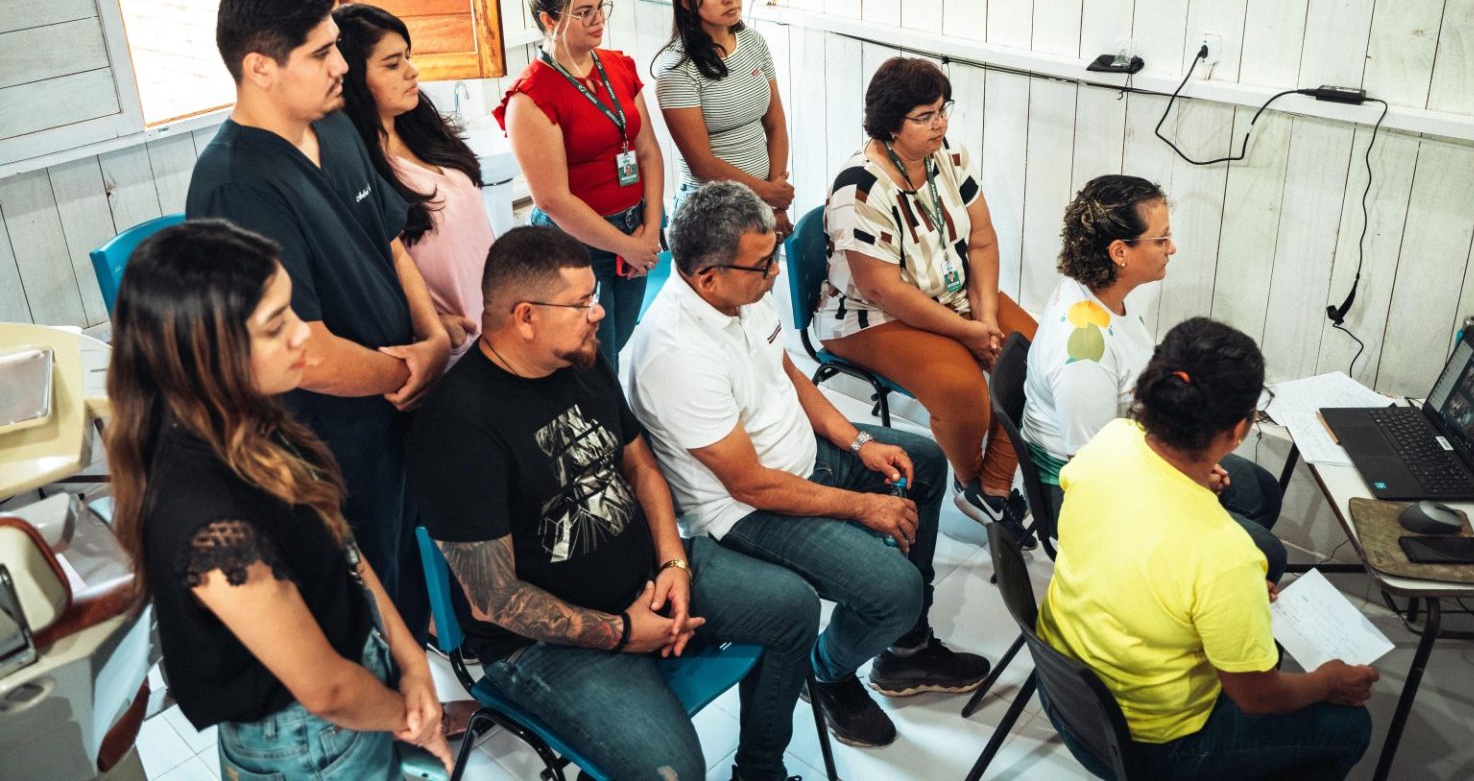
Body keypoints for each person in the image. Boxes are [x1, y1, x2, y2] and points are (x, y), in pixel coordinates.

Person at [406, 225, 821, 781]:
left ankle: (760, 771)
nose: (597, 313)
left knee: (794, 607)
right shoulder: (458, 428)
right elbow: (494, 602)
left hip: (649, 579)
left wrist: (673, 561)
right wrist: (623, 633)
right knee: (669, 770)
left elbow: (640, 463)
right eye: (582, 303)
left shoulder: (578, 359)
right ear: (525, 316)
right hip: (542, 643)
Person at [627, 182, 990, 749]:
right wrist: (862, 505)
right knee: (894, 591)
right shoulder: (674, 353)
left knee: (919, 462)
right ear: (706, 276)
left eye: (775, 253)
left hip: (801, 457)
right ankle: (826, 672)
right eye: (764, 263)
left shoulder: (740, 289)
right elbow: (749, 484)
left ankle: (904, 651)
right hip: (747, 509)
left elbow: (788, 375)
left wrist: (854, 443)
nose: (777, 272)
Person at [104, 220, 451, 779]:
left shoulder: (250, 418)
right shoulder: (208, 525)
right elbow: (326, 690)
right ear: (205, 352)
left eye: (291, 311)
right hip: (308, 738)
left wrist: (410, 659)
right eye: (274, 327)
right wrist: (406, 715)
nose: (302, 336)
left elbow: (341, 545)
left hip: (358, 679)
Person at [186, 0, 451, 637]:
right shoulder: (234, 188)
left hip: (397, 407)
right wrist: (407, 374)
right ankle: (388, 718)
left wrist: (436, 342)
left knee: (410, 566)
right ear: (259, 68)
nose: (342, 66)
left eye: (337, 47)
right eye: (320, 53)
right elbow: (301, 349)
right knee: (359, 592)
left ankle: (420, 686)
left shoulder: (334, 131)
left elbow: (390, 242)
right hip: (328, 435)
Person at [1037, 317, 1375, 780]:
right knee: (1351, 726)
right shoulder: (1225, 555)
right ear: (1238, 430)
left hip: (1066, 698)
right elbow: (1257, 698)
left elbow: (1131, 547)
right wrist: (1327, 682)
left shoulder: (1108, 443)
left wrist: (1225, 601)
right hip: (1153, 747)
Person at [818, 56, 1037, 546]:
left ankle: (990, 487)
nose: (940, 123)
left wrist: (985, 319)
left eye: (942, 110)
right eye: (925, 116)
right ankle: (969, 478)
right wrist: (969, 333)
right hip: (868, 316)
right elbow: (882, 289)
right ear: (890, 125)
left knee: (1034, 355)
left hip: (949, 291)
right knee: (964, 394)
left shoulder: (949, 155)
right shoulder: (860, 186)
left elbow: (981, 239)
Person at [1020, 175, 1285, 579]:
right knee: (1265, 553)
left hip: (1132, 452)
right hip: (1088, 496)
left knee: (1259, 489)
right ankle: (1205, 588)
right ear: (1119, 252)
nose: (1171, 248)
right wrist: (1185, 475)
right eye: (1161, 240)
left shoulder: (1099, 293)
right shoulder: (1084, 354)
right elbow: (1093, 473)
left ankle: (1207, 578)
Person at [499, 0, 666, 366]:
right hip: (578, 245)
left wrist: (649, 227)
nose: (598, 20)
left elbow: (648, 151)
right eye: (584, 12)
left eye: (601, 7)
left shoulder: (617, 65)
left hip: (633, 228)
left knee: (619, 340)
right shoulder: (532, 95)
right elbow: (552, 200)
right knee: (595, 360)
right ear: (548, 20)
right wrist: (627, 245)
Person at [335, 1, 495, 365]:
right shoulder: (358, 164)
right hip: (453, 345)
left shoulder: (422, 128)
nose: (412, 71)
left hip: (495, 320)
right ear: (353, 77)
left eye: (408, 56)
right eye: (392, 64)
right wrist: (430, 324)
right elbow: (368, 273)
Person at [654, 0, 794, 234]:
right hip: (710, 214)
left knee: (762, 280)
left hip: (762, 205)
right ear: (685, 1)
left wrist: (775, 202)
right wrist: (768, 194)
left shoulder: (754, 42)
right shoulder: (676, 68)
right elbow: (703, 165)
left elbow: (775, 123)